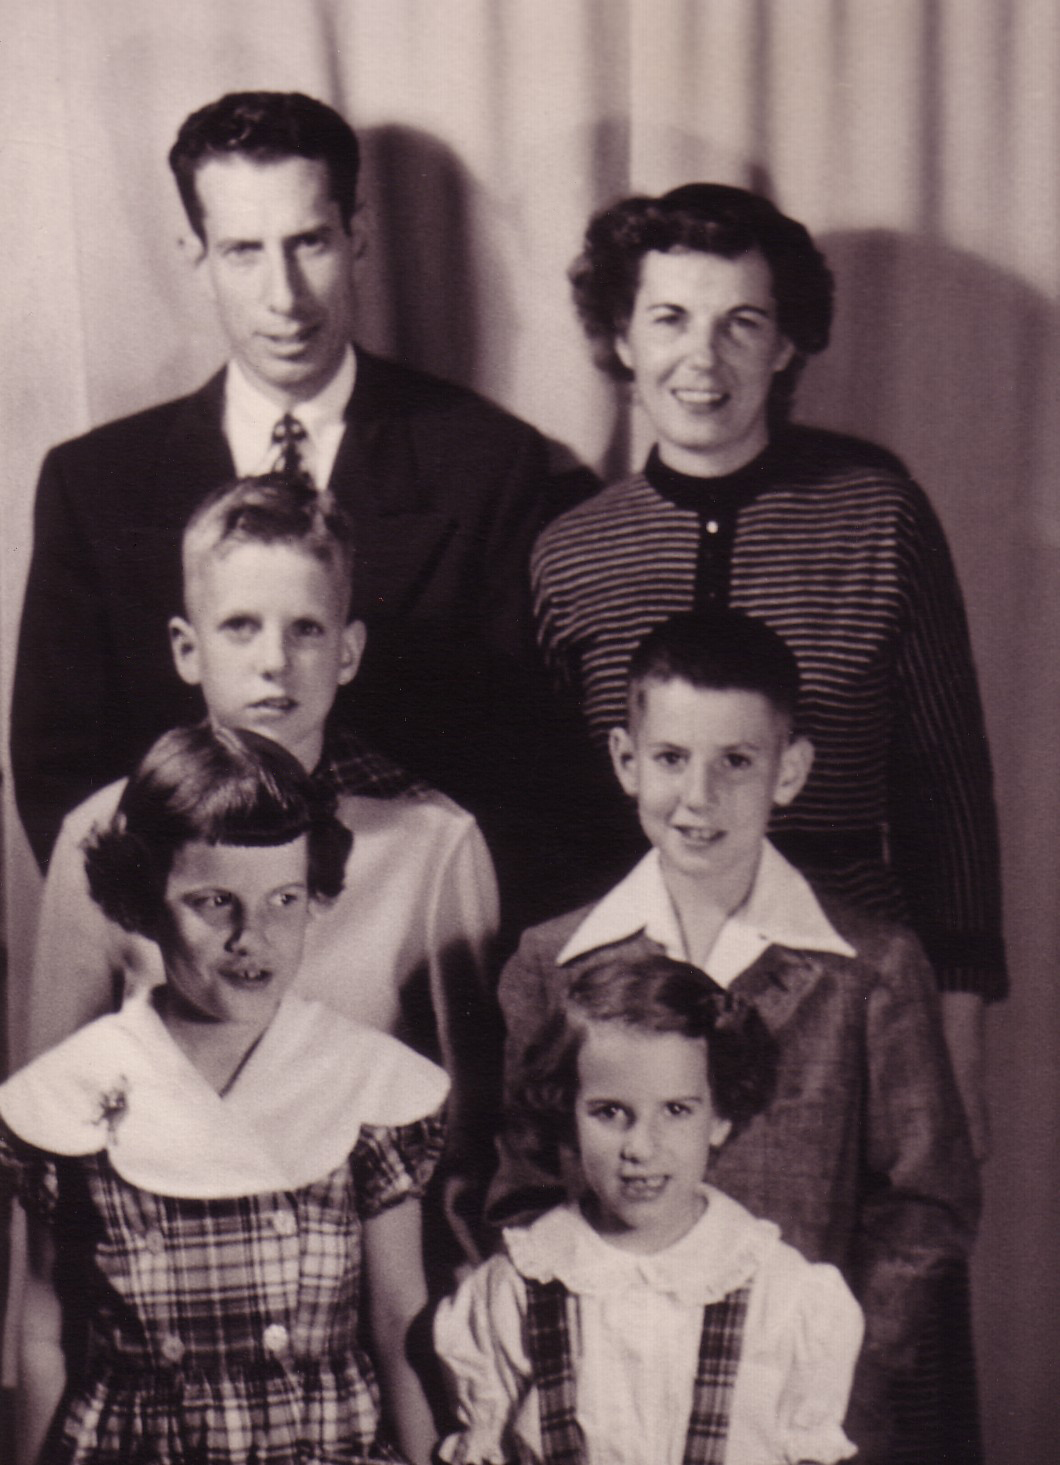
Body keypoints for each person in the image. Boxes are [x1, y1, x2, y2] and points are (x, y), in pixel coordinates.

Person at [530, 182, 1005, 1157]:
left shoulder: (879, 516)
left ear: (786, 344)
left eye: (741, 323)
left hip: (849, 988)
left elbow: (946, 789)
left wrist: (957, 1044)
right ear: (622, 337)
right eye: (670, 318)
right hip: (633, 1003)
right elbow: (554, 829)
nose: (702, 359)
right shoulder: (571, 553)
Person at [11, 89, 550, 900]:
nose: (284, 297)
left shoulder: (487, 461)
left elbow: (522, 760)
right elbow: (60, 769)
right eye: (243, 251)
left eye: (309, 243)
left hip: (411, 926)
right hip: (180, 934)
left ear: (357, 236)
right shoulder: (93, 483)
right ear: (196, 256)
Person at [488, 611, 980, 1464]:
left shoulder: (870, 968)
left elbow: (926, 1202)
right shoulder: (551, 963)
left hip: (790, 1416)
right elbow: (519, 1195)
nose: (699, 796)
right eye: (671, 758)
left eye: (737, 761)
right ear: (626, 760)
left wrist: (838, 1383)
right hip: (601, 1419)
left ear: (790, 770)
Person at [28, 475, 501, 1258]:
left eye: (306, 629)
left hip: (363, 1281)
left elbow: (469, 1139)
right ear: (188, 648)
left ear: (348, 651)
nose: (274, 661)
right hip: (158, 1275)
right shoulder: (103, 831)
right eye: (240, 626)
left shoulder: (434, 843)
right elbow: (52, 1127)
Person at [3, 724, 448, 1465]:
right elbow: (45, 1329)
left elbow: (400, 1315)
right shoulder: (80, 1090)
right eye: (214, 901)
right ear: (143, 901)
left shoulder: (367, 1085)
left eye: (284, 899)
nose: (253, 936)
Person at [438, 954, 863, 1465]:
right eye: (610, 1112)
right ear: (568, 1115)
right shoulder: (514, 1289)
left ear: (720, 1117)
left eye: (677, 1110)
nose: (640, 1147)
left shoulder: (788, 1297)